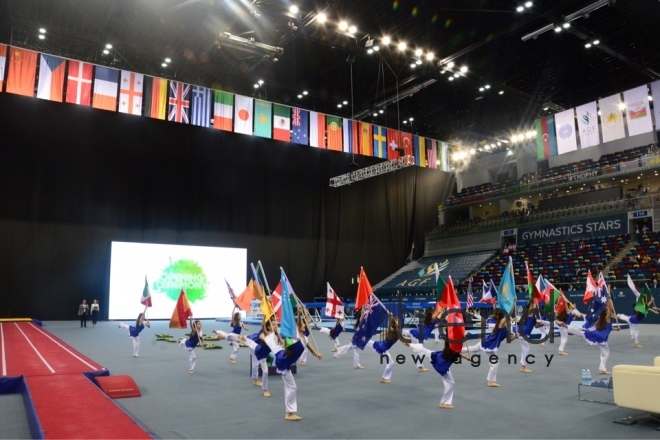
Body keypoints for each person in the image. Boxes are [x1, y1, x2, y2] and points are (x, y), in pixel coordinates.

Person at [260, 322, 322, 421]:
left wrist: (317, 354)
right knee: (293, 387)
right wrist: (299, 311)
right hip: (283, 361)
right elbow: (285, 343)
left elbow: (312, 350)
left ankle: (289, 412)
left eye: (304, 325)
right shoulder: (294, 338)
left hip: (285, 360)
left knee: (288, 388)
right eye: (302, 325)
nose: (304, 326)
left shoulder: (305, 339)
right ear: (298, 327)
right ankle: (289, 413)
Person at [462, 310, 510, 387]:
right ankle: (490, 381)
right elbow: (507, 317)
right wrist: (512, 307)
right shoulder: (500, 323)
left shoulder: (496, 323)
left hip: (487, 341)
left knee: (474, 348)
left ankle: (458, 350)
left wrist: (475, 315)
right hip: (489, 345)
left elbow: (484, 321)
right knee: (495, 363)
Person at [410, 341, 463, 408]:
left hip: (436, 357)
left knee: (425, 350)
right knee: (450, 383)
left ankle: (410, 344)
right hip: (441, 367)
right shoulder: (453, 351)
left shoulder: (447, 350)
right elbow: (462, 350)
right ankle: (444, 403)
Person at [366, 315, 410, 383]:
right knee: (391, 363)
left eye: (398, 321)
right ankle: (384, 378)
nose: (398, 322)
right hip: (383, 348)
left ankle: (356, 339)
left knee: (368, 341)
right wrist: (390, 318)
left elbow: (402, 339)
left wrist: (407, 341)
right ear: (394, 323)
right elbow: (401, 337)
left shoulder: (396, 330)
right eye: (397, 321)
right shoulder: (394, 330)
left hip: (380, 344)